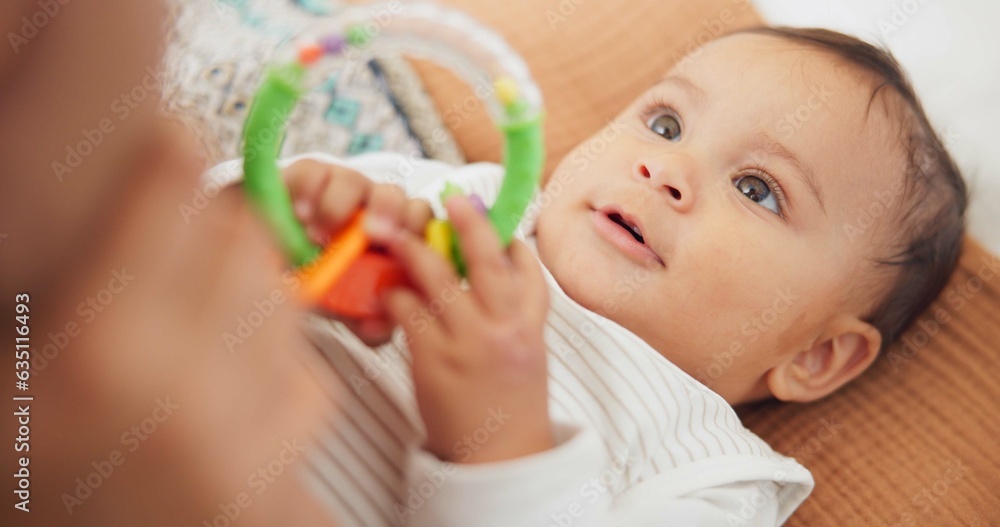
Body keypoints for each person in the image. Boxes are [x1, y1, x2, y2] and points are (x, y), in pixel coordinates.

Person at [230, 27, 965, 526]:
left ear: (815, 354)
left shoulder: (710, 475)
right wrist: (266, 216)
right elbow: (170, 252)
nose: (665, 167)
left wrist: (503, 444)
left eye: (757, 188)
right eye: (667, 124)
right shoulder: (455, 199)